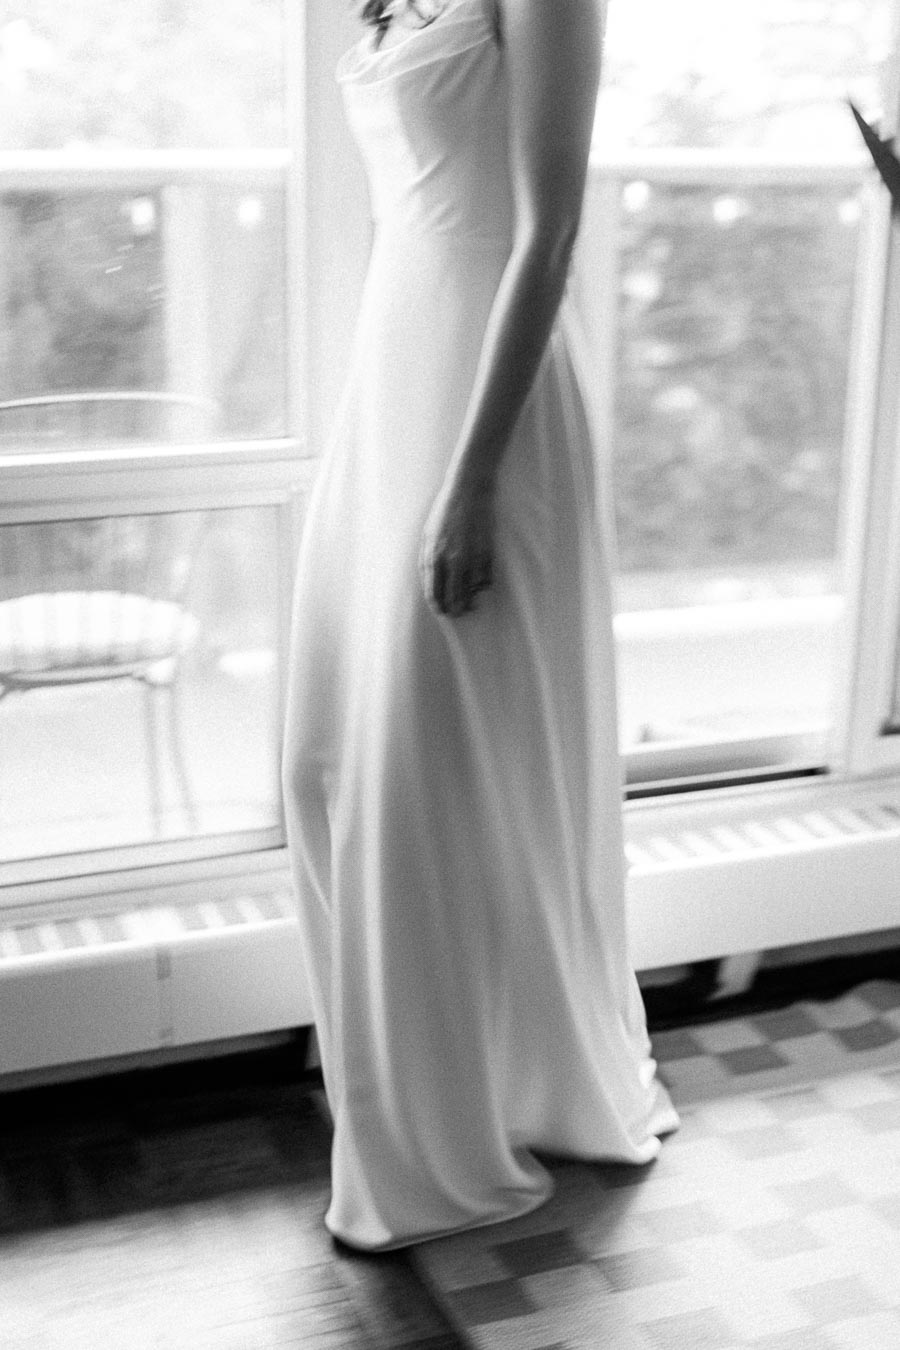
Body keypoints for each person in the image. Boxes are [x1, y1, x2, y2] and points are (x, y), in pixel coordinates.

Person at [281, 0, 679, 1253]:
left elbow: (548, 229)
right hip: (391, 380)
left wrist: (473, 479)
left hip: (486, 411)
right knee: (320, 765)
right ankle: (415, 1083)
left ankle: (446, 1136)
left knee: (419, 772)